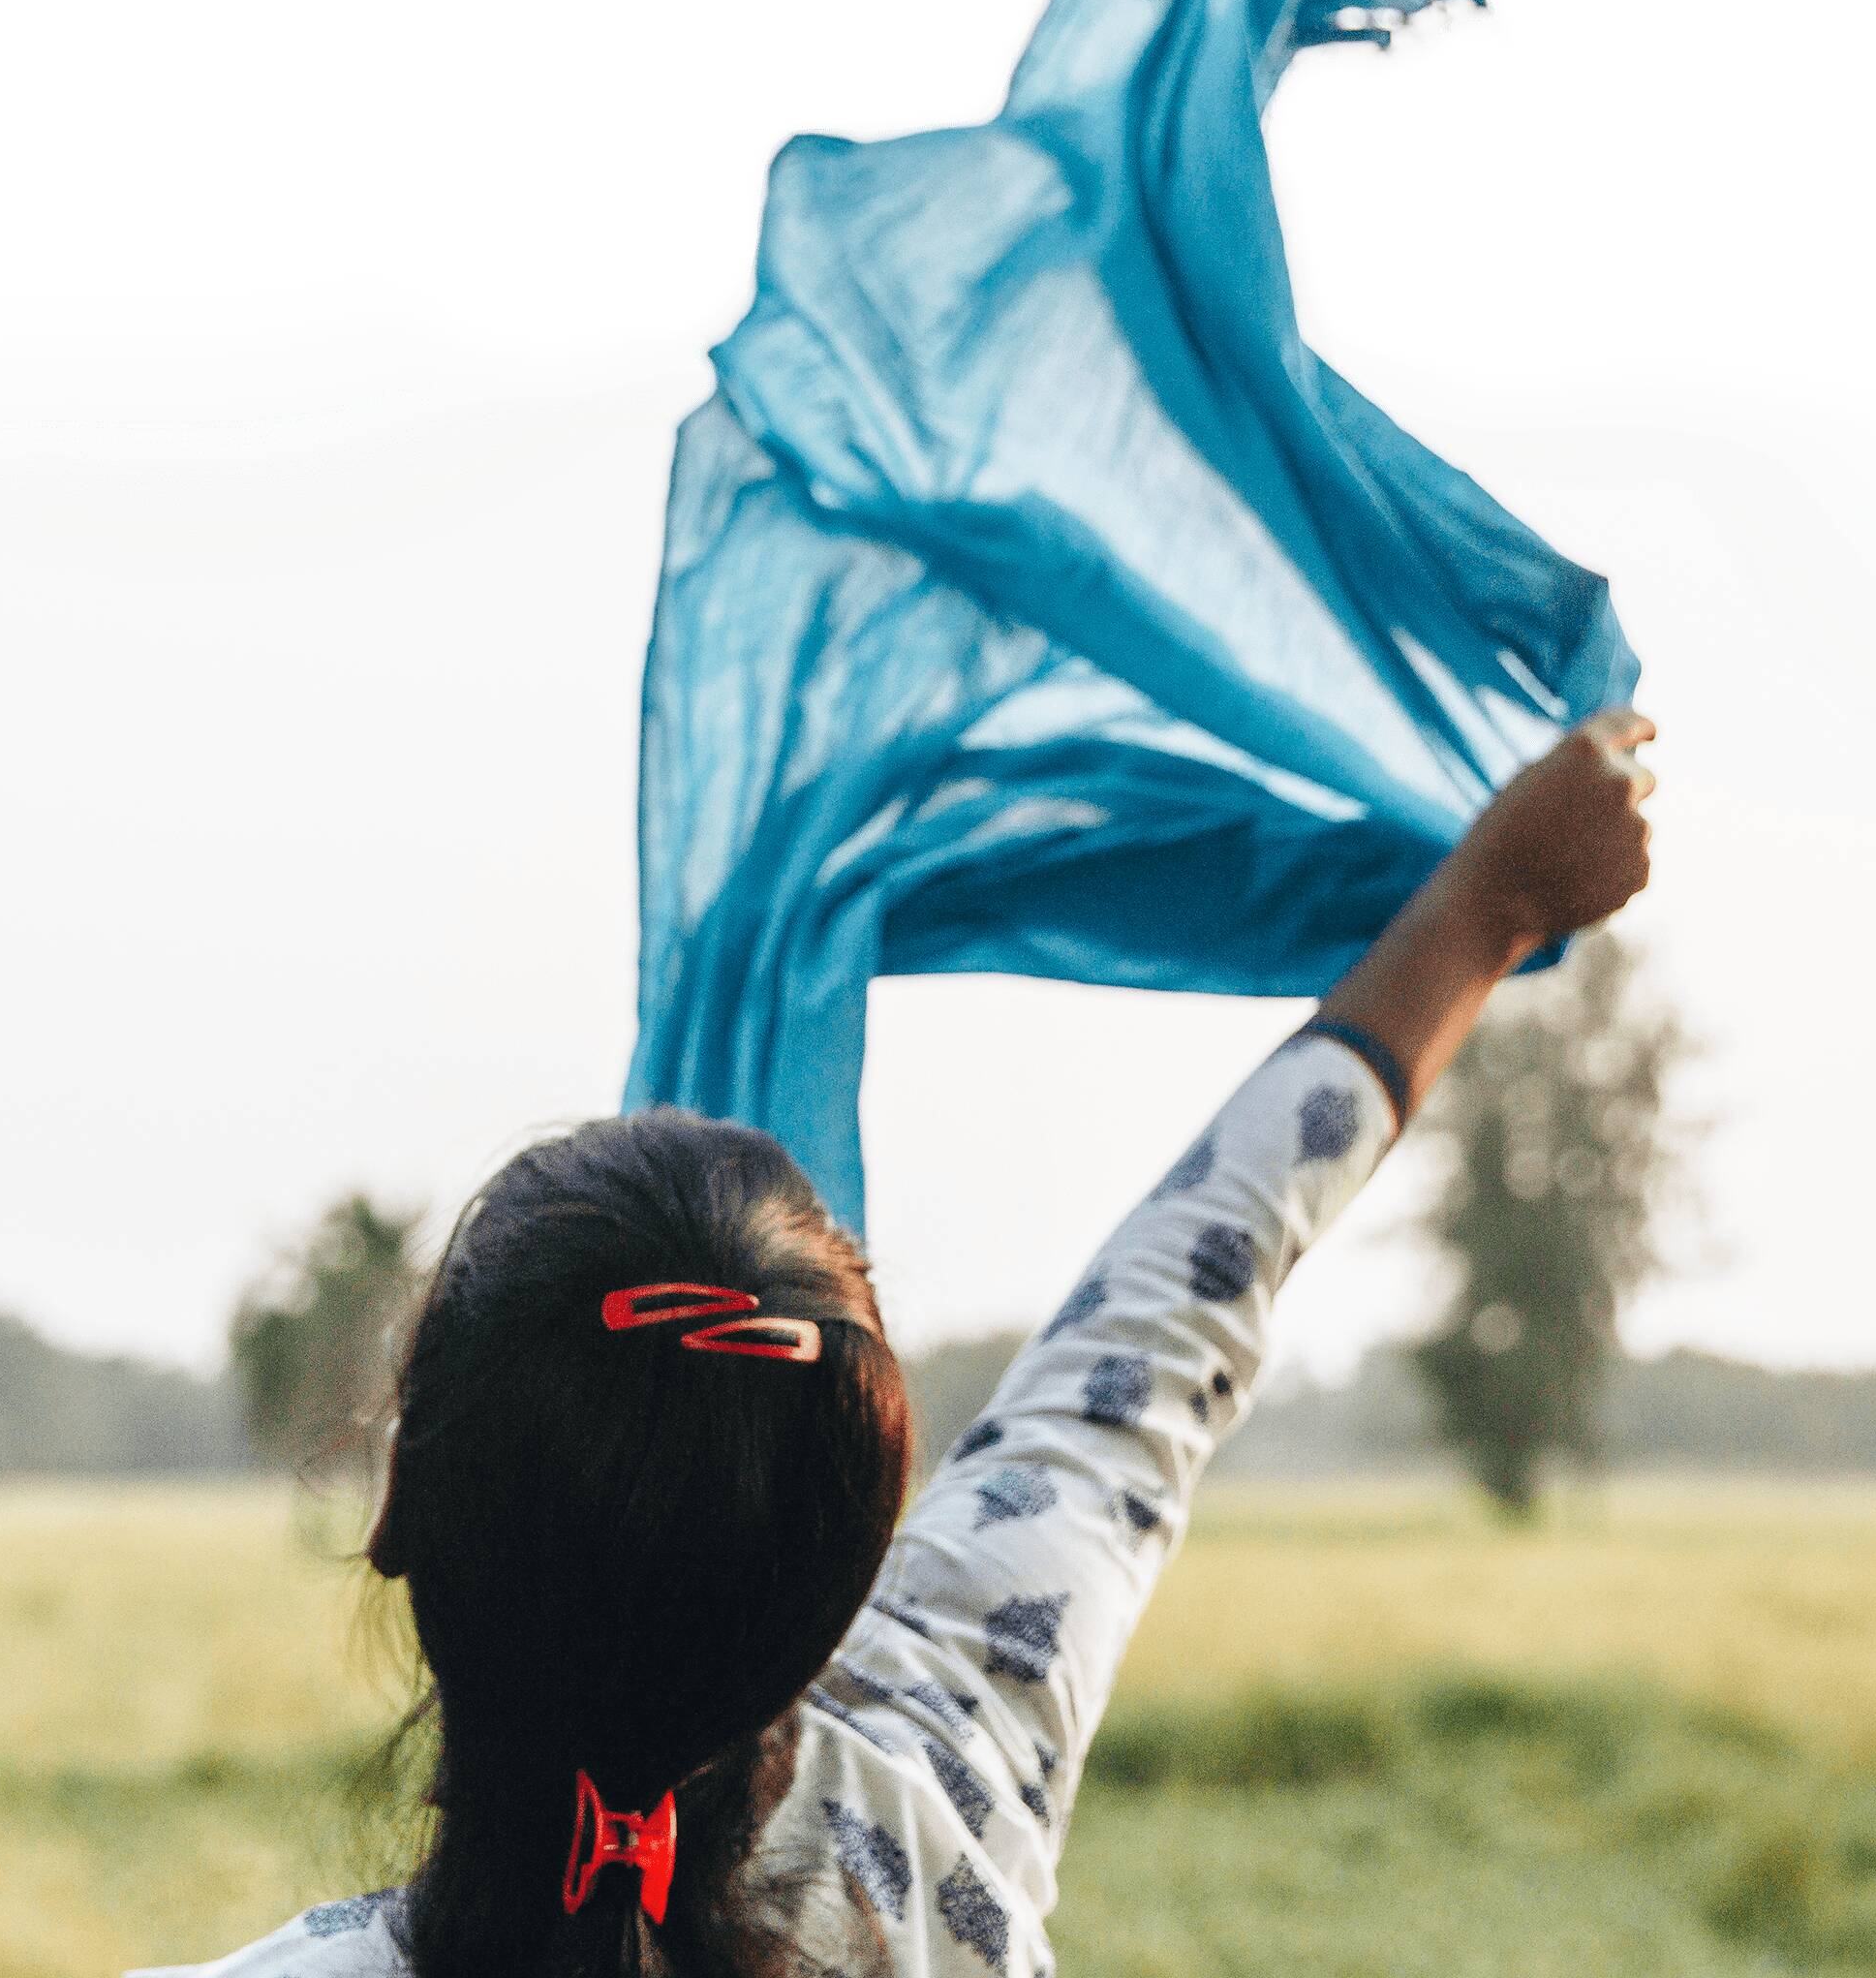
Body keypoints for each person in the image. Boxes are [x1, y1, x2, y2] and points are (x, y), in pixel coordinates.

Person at [145, 712, 1660, 1978]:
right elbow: (1175, 1305)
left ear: (400, 1498)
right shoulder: (947, 1780)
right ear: (855, 1563)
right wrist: (1487, 909)